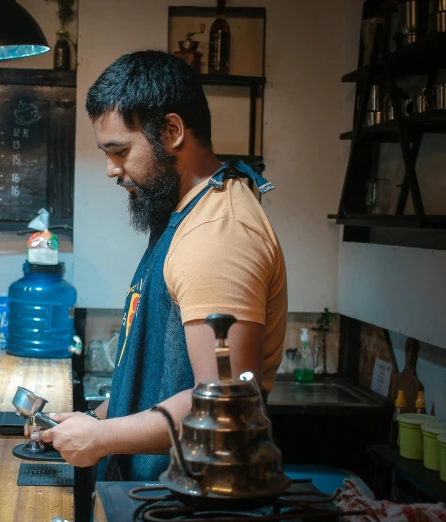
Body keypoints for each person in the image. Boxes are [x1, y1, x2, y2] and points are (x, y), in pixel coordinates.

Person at [28, 50, 288, 482]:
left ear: (172, 131)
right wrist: (89, 421)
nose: (112, 169)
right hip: (154, 492)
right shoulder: (186, 212)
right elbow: (156, 373)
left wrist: (103, 437)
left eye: (120, 151)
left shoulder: (217, 235)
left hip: (195, 499)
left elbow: (227, 404)